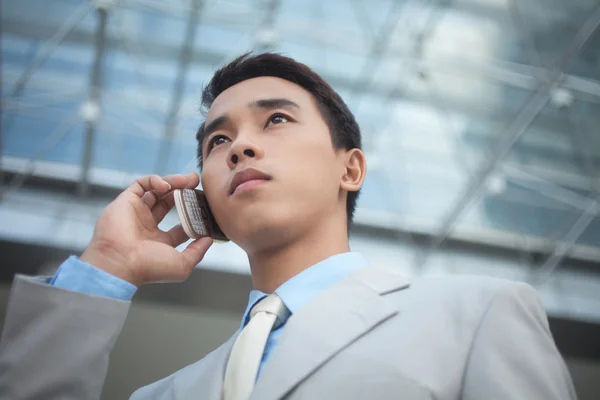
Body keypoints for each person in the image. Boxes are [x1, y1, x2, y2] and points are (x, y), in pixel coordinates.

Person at [0, 53, 576, 400]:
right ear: (201, 197)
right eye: (217, 141)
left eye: (275, 119)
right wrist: (106, 267)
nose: (240, 145)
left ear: (350, 167)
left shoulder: (477, 313)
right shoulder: (163, 393)